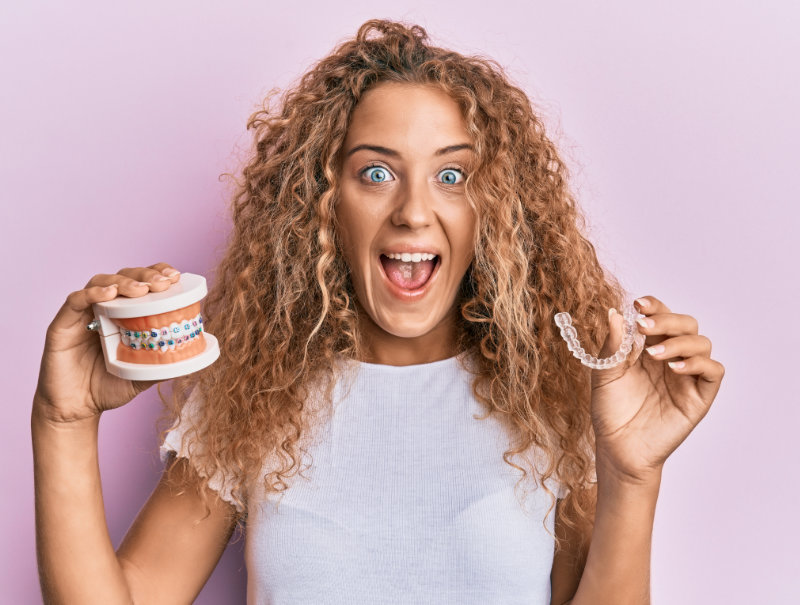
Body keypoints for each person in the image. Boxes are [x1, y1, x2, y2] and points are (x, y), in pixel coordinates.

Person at [31, 19, 725, 605]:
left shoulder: (555, 398)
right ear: (324, 201)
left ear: (493, 207)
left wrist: (633, 479)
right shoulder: (249, 401)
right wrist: (62, 421)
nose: (415, 210)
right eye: (377, 172)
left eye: (452, 176)